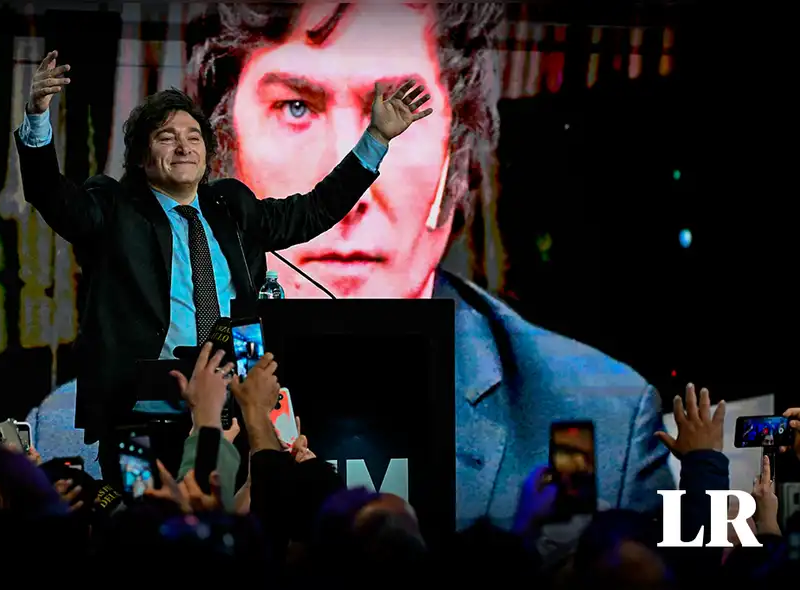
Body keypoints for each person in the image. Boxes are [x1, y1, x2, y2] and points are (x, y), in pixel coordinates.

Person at [184, 3, 674, 531]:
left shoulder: (606, 418)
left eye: (400, 112)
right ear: (225, 153)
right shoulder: (94, 426)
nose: (349, 195)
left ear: (456, 158)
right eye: (296, 107)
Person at [14, 47, 434, 481]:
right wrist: (38, 117)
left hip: (240, 409)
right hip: (145, 414)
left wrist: (377, 139)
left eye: (193, 137)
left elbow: (313, 211)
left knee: (244, 531)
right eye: (166, 136)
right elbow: (52, 196)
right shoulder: (115, 207)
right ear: (141, 158)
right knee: (155, 532)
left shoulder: (231, 207)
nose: (183, 146)